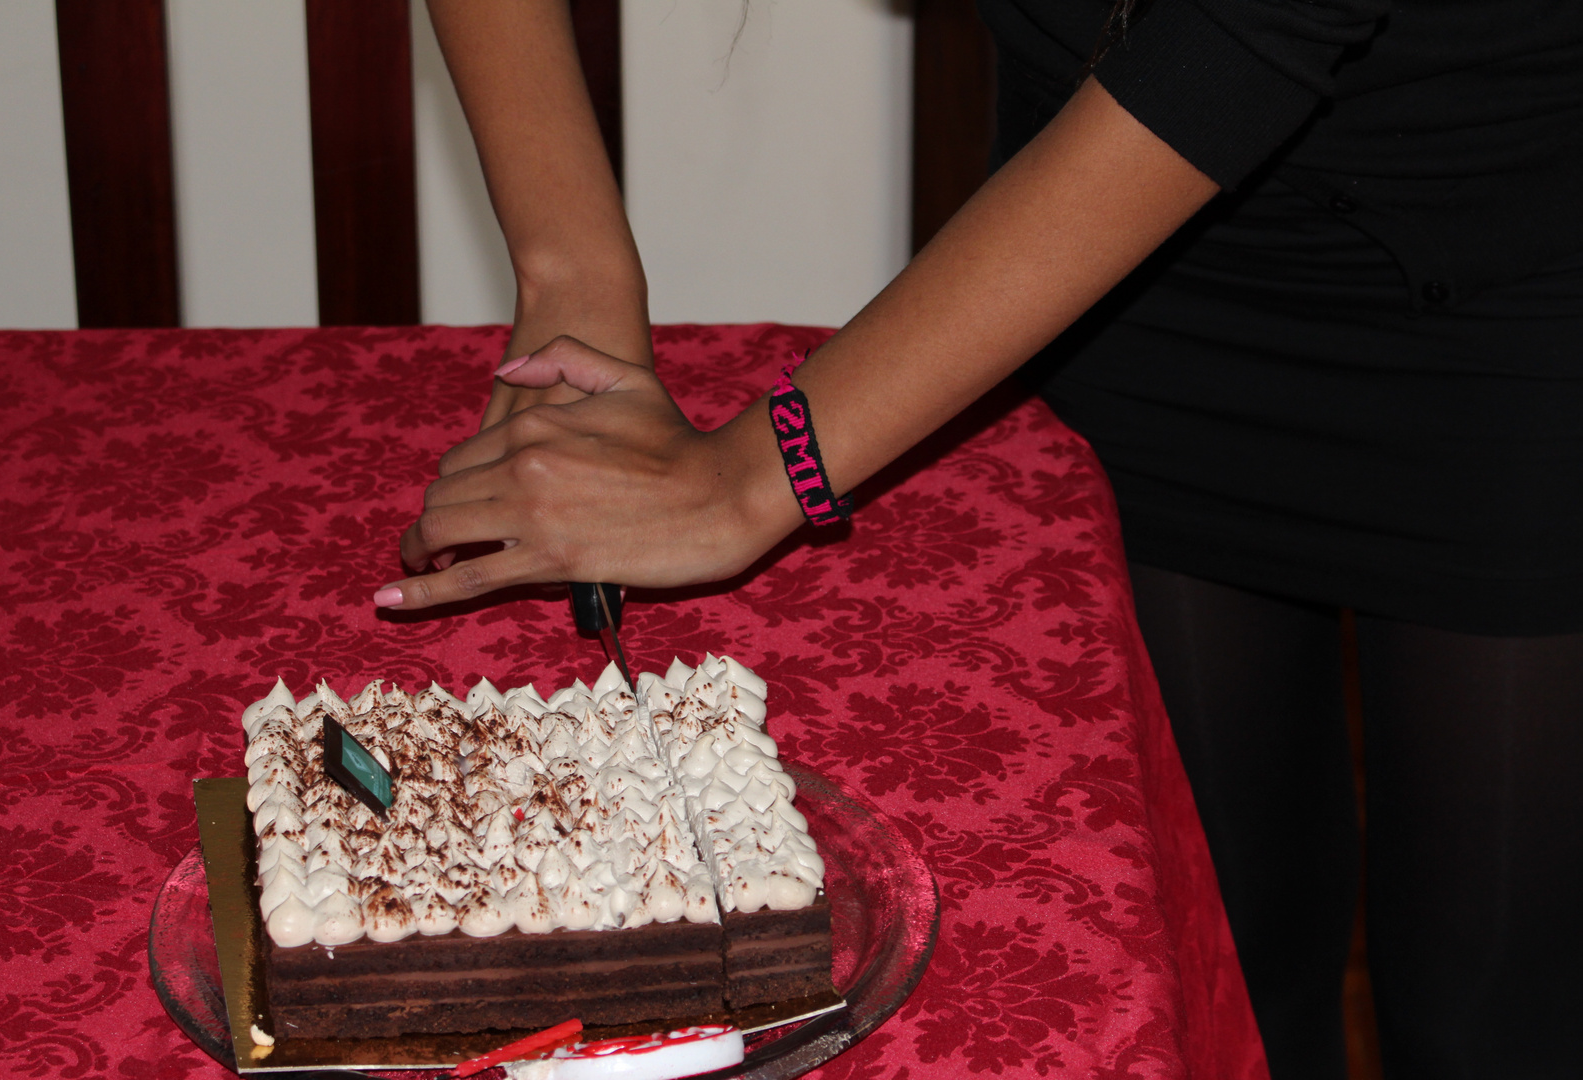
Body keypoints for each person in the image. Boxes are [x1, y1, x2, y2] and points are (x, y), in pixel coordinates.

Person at [379, 2, 1583, 1077]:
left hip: (1517, 235)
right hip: (1122, 237)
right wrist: (571, 278)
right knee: (1226, 961)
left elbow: (1253, 28)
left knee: (1498, 1011)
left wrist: (752, 480)